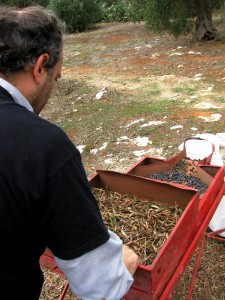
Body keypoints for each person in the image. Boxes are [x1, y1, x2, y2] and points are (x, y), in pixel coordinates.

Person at [0, 5, 140, 300]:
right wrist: (123, 260)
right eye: (57, 77)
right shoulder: (45, 148)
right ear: (40, 67)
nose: (54, 86)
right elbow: (101, 286)